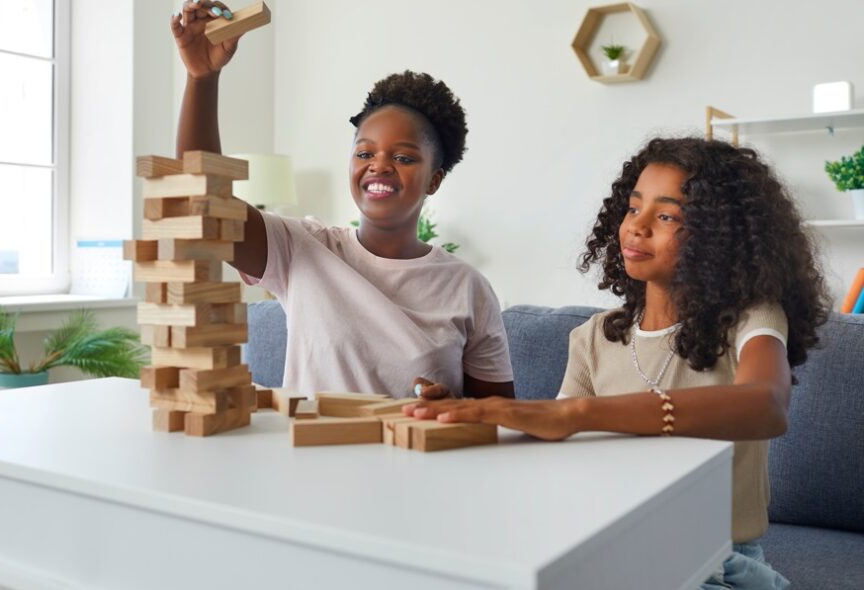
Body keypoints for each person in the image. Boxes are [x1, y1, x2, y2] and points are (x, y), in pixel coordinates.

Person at [405, 137, 830, 589]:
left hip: (716, 562)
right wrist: (465, 416)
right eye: (632, 208)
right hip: (617, 549)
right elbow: (557, 454)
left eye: (666, 216)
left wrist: (579, 414)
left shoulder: (751, 319)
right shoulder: (594, 338)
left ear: (719, 236)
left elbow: (766, 404)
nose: (637, 227)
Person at [170, 1, 514, 399]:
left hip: (416, 460)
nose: (379, 166)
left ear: (434, 180)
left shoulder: (468, 288)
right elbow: (204, 201)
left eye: (402, 158)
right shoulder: (302, 249)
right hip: (309, 459)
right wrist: (202, 78)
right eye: (365, 153)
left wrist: (451, 413)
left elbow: (498, 420)